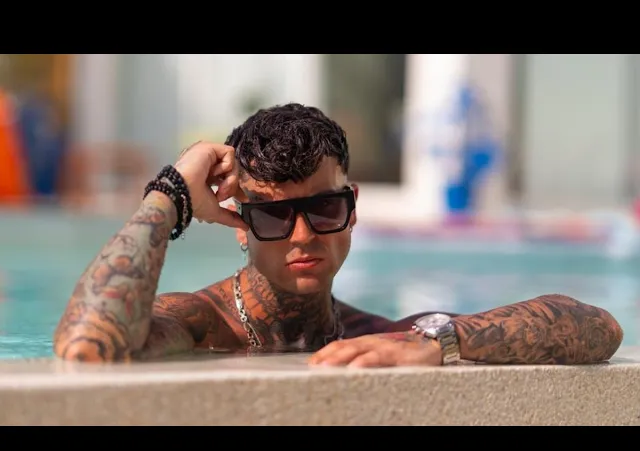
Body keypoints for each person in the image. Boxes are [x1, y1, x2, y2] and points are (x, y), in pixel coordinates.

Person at [52, 103, 624, 367]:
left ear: (352, 208)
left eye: (324, 208)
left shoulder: (376, 333)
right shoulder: (202, 325)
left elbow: (599, 327)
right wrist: (171, 192)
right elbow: (86, 345)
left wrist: (442, 342)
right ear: (239, 227)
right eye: (273, 216)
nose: (303, 235)